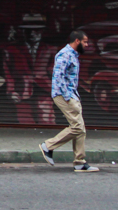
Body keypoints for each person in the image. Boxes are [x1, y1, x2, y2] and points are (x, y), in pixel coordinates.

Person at [39, 30, 100, 173]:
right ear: (77, 41)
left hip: (71, 94)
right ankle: (48, 146)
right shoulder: (65, 54)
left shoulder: (73, 55)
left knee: (81, 129)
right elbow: (58, 76)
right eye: (85, 41)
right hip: (63, 95)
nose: (87, 44)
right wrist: (68, 98)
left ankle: (79, 162)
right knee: (77, 127)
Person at [2, 13, 57, 125]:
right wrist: (11, 91)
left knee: (47, 121)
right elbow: (9, 74)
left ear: (42, 32)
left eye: (36, 30)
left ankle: (48, 141)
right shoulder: (11, 50)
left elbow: (55, 72)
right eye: (28, 30)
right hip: (22, 91)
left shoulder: (51, 50)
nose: (32, 33)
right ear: (22, 32)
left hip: (44, 90)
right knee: (25, 122)